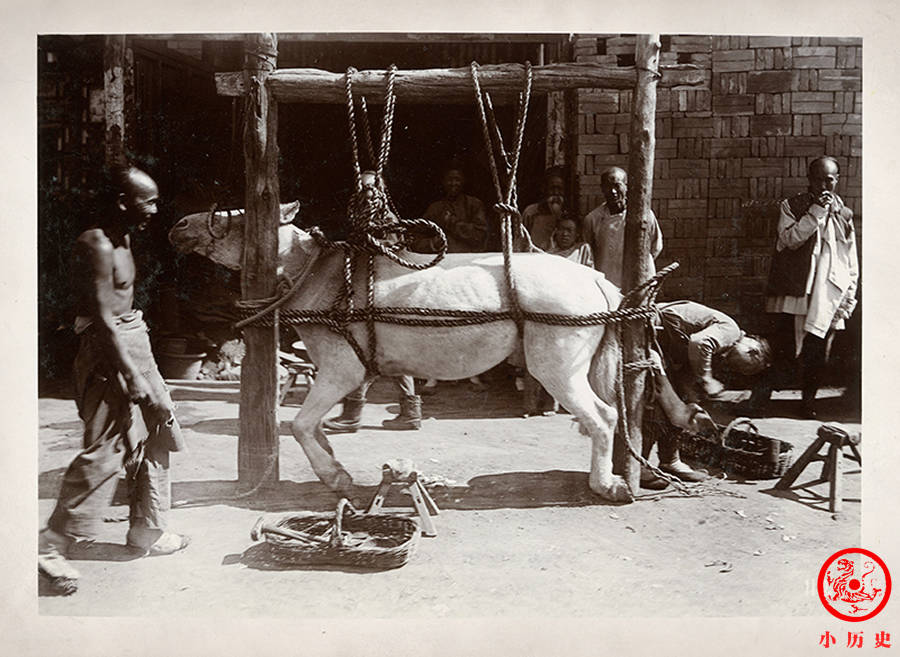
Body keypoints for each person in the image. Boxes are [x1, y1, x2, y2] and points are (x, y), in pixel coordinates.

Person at [39, 165, 190, 594]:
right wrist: (130, 375)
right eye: (149, 201)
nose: (156, 210)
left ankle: (148, 530)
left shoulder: (124, 236)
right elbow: (103, 321)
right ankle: (51, 545)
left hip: (132, 341)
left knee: (159, 429)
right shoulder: (97, 244)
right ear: (123, 202)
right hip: (110, 352)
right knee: (111, 447)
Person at [748, 156, 859, 419]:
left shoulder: (845, 214)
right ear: (809, 180)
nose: (823, 186)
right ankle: (761, 400)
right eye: (818, 180)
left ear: (837, 181)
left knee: (817, 351)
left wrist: (849, 294)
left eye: (829, 180)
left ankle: (807, 403)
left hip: (827, 295)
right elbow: (789, 240)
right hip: (794, 293)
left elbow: (850, 258)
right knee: (781, 347)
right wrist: (816, 213)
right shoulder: (792, 206)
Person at [654, 300, 772, 402]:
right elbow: (699, 342)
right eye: (746, 368)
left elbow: (685, 375)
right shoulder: (732, 332)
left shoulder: (719, 352)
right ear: (752, 351)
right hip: (654, 322)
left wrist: (693, 398)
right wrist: (707, 378)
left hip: (657, 339)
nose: (738, 369)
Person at [582, 166, 663, 289]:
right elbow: (587, 254)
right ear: (602, 189)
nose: (613, 191)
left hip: (637, 282)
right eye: (608, 186)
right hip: (606, 284)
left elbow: (655, 246)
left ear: (626, 186)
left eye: (617, 185)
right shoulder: (593, 219)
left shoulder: (643, 215)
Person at [420, 163, 488, 253]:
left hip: (468, 258)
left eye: (457, 180)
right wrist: (433, 244)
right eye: (449, 180)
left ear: (463, 181)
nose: (453, 184)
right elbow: (417, 238)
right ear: (443, 182)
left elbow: (480, 236)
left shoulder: (474, 204)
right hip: (441, 260)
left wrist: (452, 222)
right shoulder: (435, 208)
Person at [521, 167, 568, 251]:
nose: (556, 193)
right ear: (545, 189)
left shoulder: (568, 215)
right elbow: (520, 241)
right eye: (552, 188)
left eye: (560, 189)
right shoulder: (531, 212)